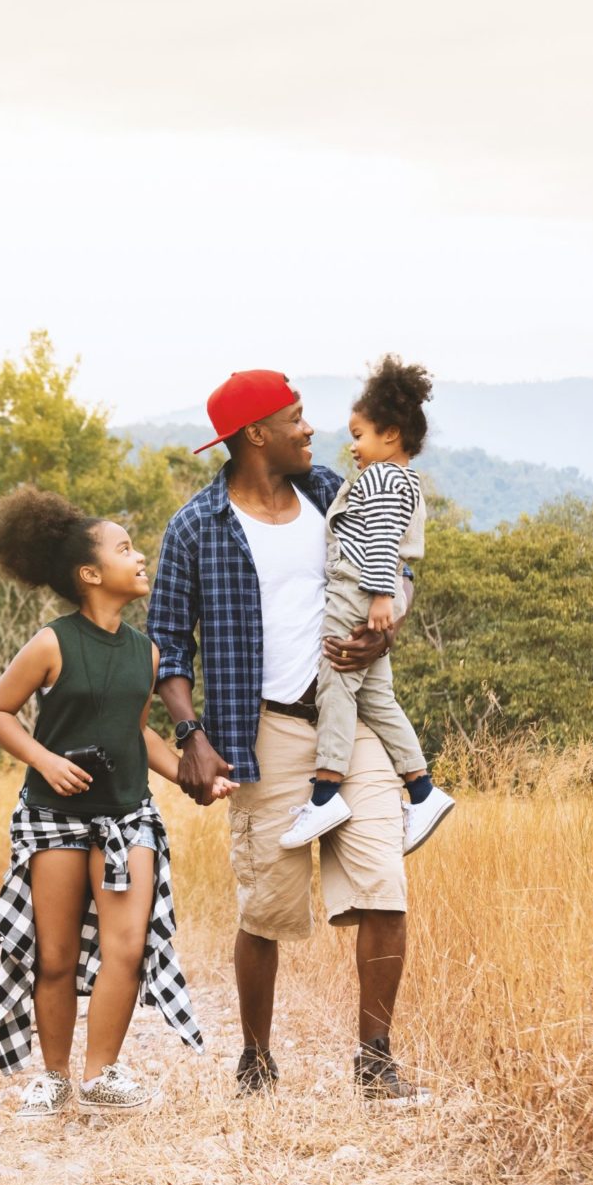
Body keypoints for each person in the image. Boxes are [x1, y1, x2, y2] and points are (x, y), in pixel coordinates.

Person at [148, 368, 432, 1104]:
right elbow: (168, 645)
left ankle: (375, 1059)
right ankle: (256, 1058)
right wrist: (191, 734)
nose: (313, 431)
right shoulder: (196, 526)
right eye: (297, 418)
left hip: (351, 723)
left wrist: (386, 621)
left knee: (384, 885)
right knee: (266, 909)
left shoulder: (334, 492)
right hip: (261, 733)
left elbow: (394, 563)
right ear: (256, 435)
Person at [0, 486, 233, 1120]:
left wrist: (193, 779)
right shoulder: (50, 643)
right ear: (90, 575)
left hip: (128, 816)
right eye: (126, 548)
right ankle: (55, 1078)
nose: (140, 555)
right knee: (57, 954)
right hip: (53, 821)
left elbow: (138, 732)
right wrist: (45, 759)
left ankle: (102, 1074)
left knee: (126, 948)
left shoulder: (146, 651)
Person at [281, 355, 457, 852]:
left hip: (358, 589)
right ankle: (421, 790)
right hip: (374, 588)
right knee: (376, 697)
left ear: (391, 435)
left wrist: (382, 595)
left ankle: (325, 793)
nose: (352, 446)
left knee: (334, 683)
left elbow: (381, 540)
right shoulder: (404, 479)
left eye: (358, 434)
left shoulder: (381, 479)